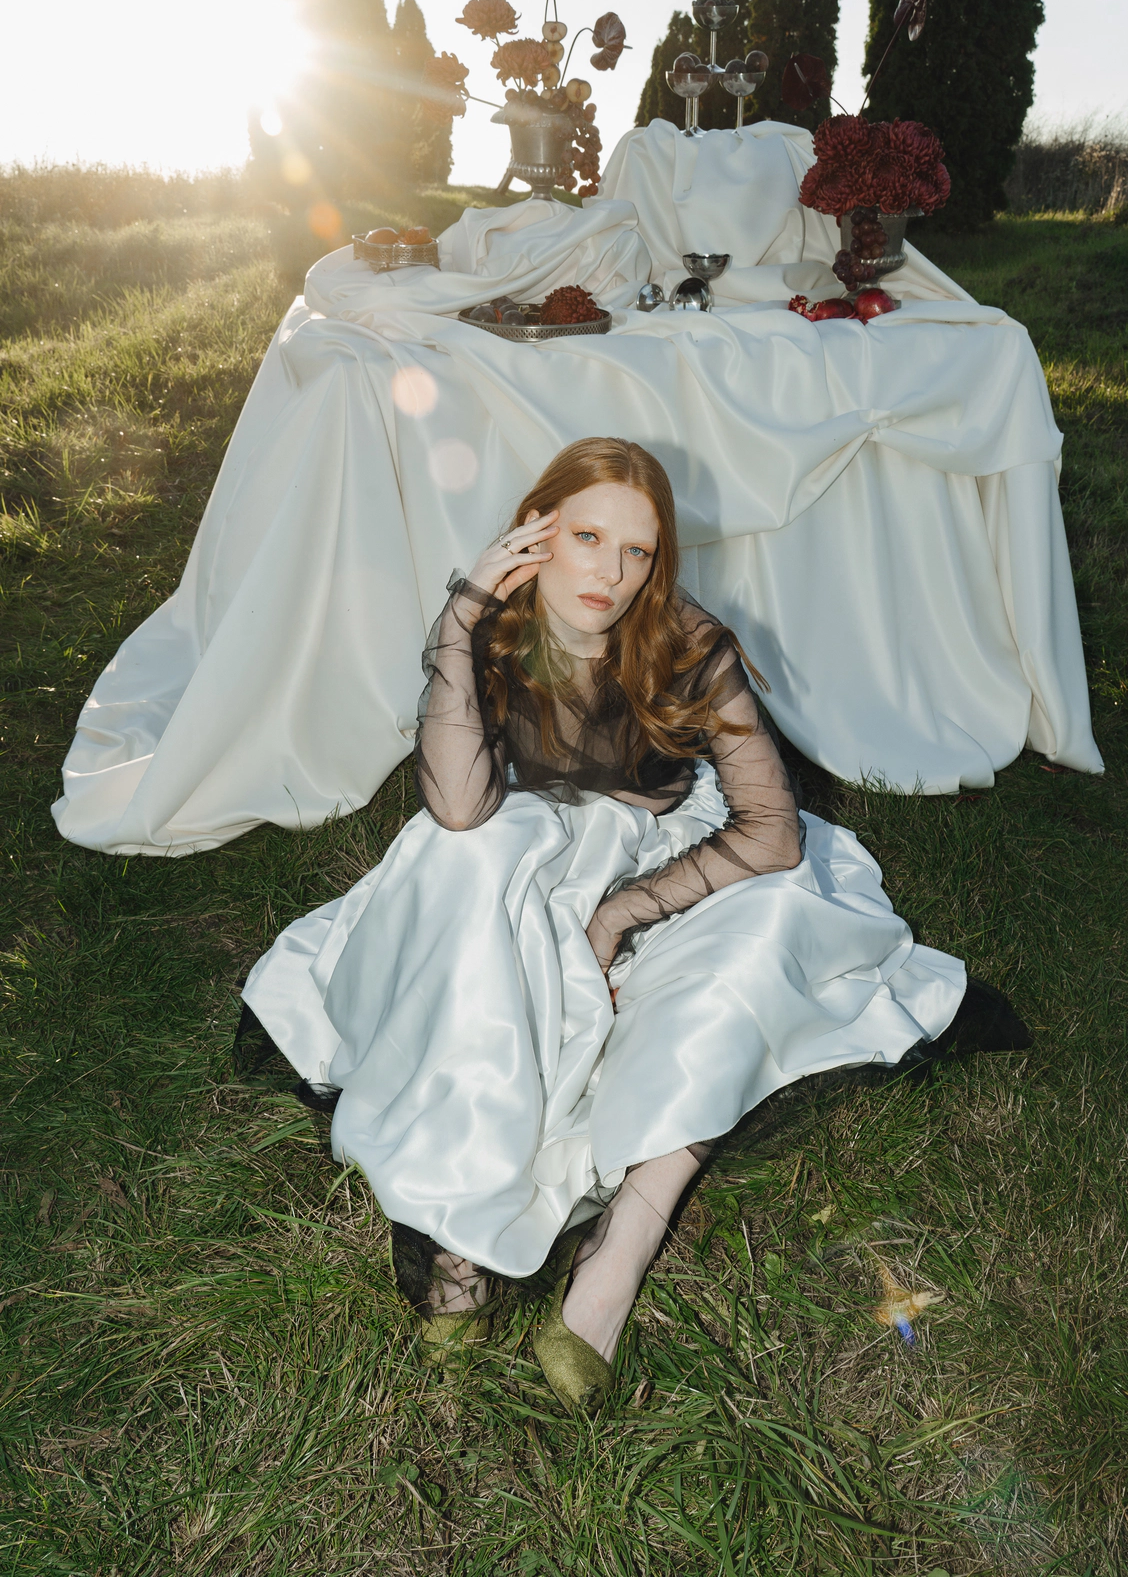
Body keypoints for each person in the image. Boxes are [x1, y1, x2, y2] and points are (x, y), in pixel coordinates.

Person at [239, 437, 1024, 1412]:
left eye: (637, 551)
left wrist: (623, 910)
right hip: (527, 839)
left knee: (741, 966)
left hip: (672, 853)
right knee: (465, 874)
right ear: (537, 533)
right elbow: (459, 809)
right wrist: (460, 616)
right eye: (587, 537)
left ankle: (615, 1262)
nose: (609, 573)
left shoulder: (688, 644)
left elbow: (772, 833)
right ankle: (457, 1227)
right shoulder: (495, 629)